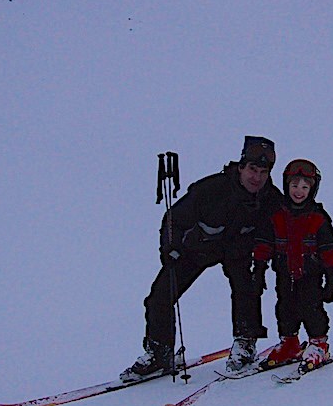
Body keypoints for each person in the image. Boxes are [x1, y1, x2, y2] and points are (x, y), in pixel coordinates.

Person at [120, 136, 283, 382]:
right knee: (159, 297)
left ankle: (245, 342)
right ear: (241, 167)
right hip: (197, 250)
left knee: (248, 287)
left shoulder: (271, 199)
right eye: (252, 169)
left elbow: (286, 226)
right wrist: (170, 249)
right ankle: (159, 352)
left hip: (238, 253)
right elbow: (173, 219)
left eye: (263, 171)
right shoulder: (210, 189)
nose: (256, 177)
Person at [251, 159, 333, 371]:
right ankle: (290, 342)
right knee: (285, 308)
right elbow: (265, 242)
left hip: (310, 273)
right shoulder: (277, 215)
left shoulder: (318, 217)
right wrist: (260, 268)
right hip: (284, 272)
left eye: (304, 187)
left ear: (312, 189)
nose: (299, 191)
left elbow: (329, 246)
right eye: (294, 186)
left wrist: (332, 274)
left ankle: (319, 343)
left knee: (311, 307)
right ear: (286, 186)